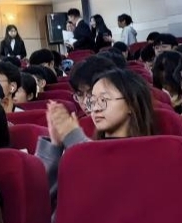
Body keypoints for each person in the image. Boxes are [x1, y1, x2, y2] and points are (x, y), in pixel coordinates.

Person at [37, 68, 156, 209]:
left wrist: (73, 137)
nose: (95, 109)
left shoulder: (151, 153)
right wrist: (55, 145)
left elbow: (113, 194)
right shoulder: (77, 148)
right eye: (92, 101)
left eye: (104, 100)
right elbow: (41, 200)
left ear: (131, 103)